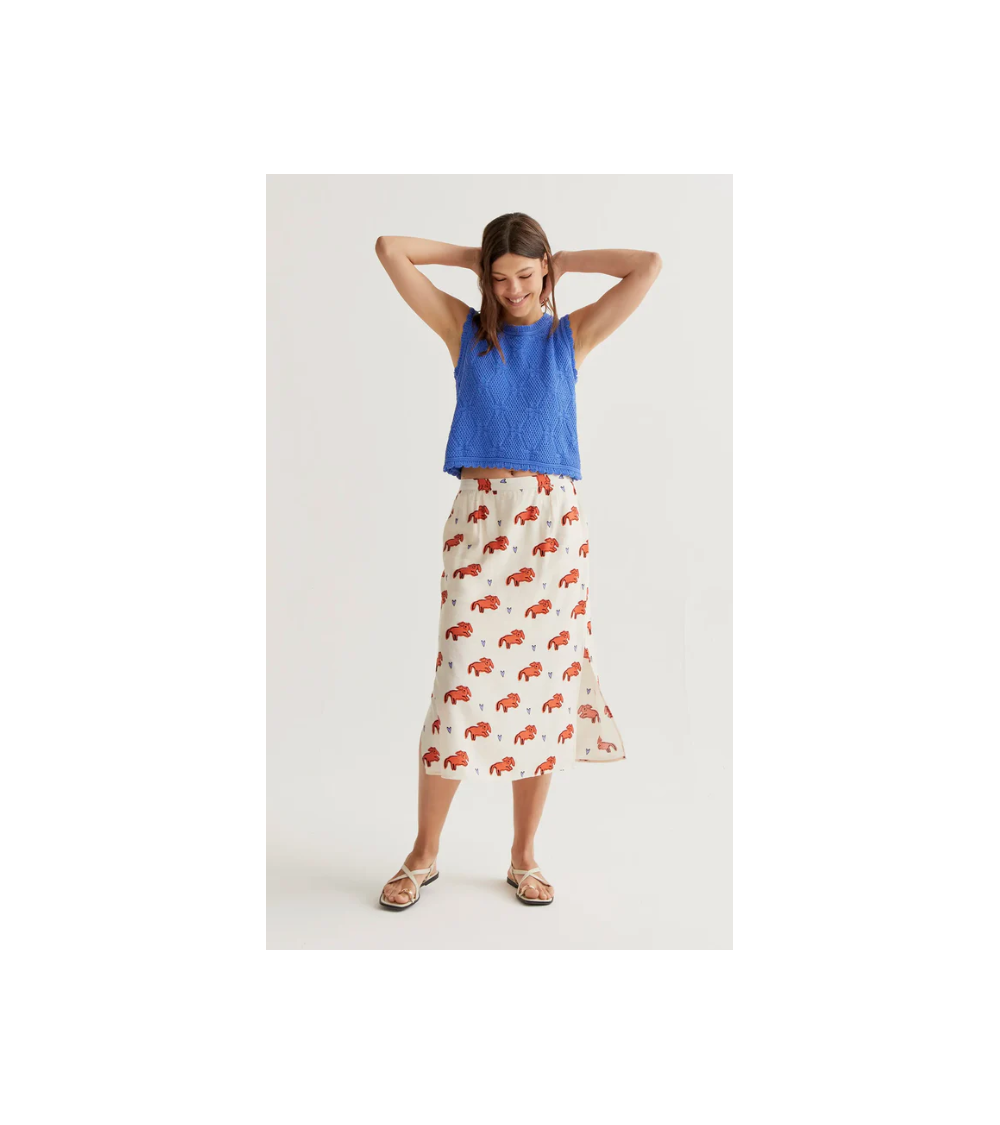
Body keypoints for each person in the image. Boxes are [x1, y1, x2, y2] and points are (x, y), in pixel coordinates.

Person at [373, 213, 661, 908]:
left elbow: (647, 265)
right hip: (480, 521)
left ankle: (524, 856)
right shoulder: (465, 331)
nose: (511, 290)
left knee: (545, 694)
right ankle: (423, 855)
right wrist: (473, 256)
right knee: (456, 690)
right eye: (498, 278)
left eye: (525, 276)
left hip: (552, 531)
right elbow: (390, 249)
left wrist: (565, 259)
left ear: (544, 274)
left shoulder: (569, 339)